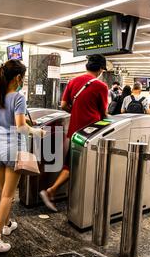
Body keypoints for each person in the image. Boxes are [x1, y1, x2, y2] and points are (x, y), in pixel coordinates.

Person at [0, 59, 44, 253]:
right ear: (18, 77)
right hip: (13, 149)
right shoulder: (18, 97)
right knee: (8, 196)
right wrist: (37, 132)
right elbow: (20, 126)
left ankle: (7, 224)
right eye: (23, 77)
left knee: (3, 192)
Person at [40, 54, 108, 212]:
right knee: (74, 165)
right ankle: (51, 191)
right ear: (100, 69)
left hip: (75, 130)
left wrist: (76, 112)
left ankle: (58, 192)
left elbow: (63, 104)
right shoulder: (101, 86)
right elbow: (104, 113)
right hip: (92, 132)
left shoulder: (73, 81)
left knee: (72, 163)